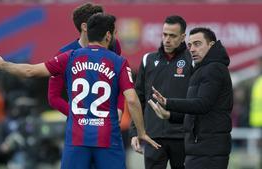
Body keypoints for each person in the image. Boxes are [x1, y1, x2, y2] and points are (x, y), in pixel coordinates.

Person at [0, 13, 160, 169]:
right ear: (108, 36)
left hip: (77, 138)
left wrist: (2, 64)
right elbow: (133, 100)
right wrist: (141, 132)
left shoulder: (70, 57)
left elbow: (30, 71)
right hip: (107, 137)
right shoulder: (118, 62)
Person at [148, 27, 233, 169]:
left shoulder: (214, 68)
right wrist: (170, 115)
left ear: (211, 45)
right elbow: (196, 114)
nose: (192, 49)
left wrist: (168, 103)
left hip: (209, 151)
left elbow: (202, 105)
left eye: (197, 44)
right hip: (200, 149)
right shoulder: (202, 69)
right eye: (190, 45)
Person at [129, 15, 192, 169]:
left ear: (183, 37)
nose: (167, 39)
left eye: (172, 35)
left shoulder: (193, 61)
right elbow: (139, 100)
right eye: (164, 34)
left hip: (182, 138)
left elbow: (197, 103)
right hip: (153, 138)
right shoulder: (147, 60)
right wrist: (134, 131)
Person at [48, 3, 124, 123]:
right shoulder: (64, 54)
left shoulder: (113, 45)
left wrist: (120, 108)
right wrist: (76, 115)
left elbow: (121, 83)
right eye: (98, 22)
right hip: (79, 126)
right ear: (85, 27)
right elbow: (53, 97)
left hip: (106, 122)